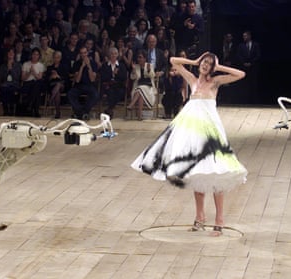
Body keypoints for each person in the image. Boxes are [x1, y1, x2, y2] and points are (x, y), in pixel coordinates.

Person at [131, 52, 247, 236]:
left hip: (211, 133)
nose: (205, 65)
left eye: (209, 64)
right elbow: (173, 61)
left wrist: (218, 66)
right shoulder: (192, 80)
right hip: (193, 135)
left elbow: (240, 74)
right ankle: (200, 218)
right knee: (196, 173)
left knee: (216, 173)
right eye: (204, 62)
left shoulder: (215, 82)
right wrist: (194, 61)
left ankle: (219, 221)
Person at [67, 46, 99, 120]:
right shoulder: (76, 64)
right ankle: (82, 112)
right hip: (79, 85)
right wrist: (81, 67)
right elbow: (77, 80)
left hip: (89, 85)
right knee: (70, 94)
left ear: (87, 53)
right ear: (80, 54)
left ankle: (83, 112)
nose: (83, 55)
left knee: (95, 95)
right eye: (81, 53)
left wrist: (88, 66)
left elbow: (92, 79)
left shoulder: (93, 63)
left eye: (85, 53)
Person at [126, 49, 156, 120]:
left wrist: (148, 70)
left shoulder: (149, 65)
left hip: (149, 89)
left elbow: (152, 76)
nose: (139, 59)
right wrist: (133, 70)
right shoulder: (136, 66)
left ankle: (131, 104)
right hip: (137, 89)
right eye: (138, 57)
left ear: (144, 58)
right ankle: (139, 116)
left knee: (141, 89)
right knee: (140, 92)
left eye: (140, 57)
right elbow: (132, 78)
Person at [100, 47, 128, 119]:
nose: (113, 55)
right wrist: (112, 73)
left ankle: (109, 109)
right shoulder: (105, 65)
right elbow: (103, 77)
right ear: (109, 55)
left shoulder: (121, 65)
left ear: (117, 55)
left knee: (120, 92)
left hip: (119, 86)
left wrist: (117, 74)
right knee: (110, 92)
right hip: (108, 85)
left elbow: (124, 77)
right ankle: (110, 110)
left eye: (115, 54)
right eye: (112, 54)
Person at [236, 30, 261, 104]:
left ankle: (254, 100)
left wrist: (251, 63)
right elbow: (238, 55)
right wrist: (244, 63)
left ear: (249, 36)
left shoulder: (255, 45)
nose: (244, 37)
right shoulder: (241, 45)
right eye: (243, 36)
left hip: (253, 67)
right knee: (244, 84)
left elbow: (258, 55)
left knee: (253, 84)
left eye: (245, 36)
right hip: (243, 68)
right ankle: (244, 100)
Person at [20, 47, 46, 117]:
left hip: (36, 83)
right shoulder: (26, 64)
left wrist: (33, 72)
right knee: (36, 90)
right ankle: (35, 110)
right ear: (31, 55)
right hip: (27, 83)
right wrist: (29, 73)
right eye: (34, 54)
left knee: (37, 85)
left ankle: (30, 106)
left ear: (39, 56)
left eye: (37, 55)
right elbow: (23, 78)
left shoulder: (41, 65)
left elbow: (39, 77)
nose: (35, 56)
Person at [0, 47, 22, 116]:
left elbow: (17, 77)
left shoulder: (18, 65)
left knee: (13, 90)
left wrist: (11, 68)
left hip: (15, 84)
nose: (11, 54)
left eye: (12, 52)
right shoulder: (3, 66)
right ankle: (6, 109)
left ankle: (11, 109)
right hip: (5, 84)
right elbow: (1, 78)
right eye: (9, 52)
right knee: (4, 89)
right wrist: (7, 68)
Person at [46, 50, 69, 118]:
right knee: (57, 92)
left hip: (62, 84)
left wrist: (58, 76)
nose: (56, 59)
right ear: (53, 58)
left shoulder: (64, 67)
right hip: (52, 86)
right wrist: (51, 77)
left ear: (60, 58)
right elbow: (46, 80)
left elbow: (66, 79)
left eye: (58, 57)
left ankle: (50, 100)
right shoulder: (49, 68)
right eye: (55, 57)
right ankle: (58, 112)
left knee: (58, 85)